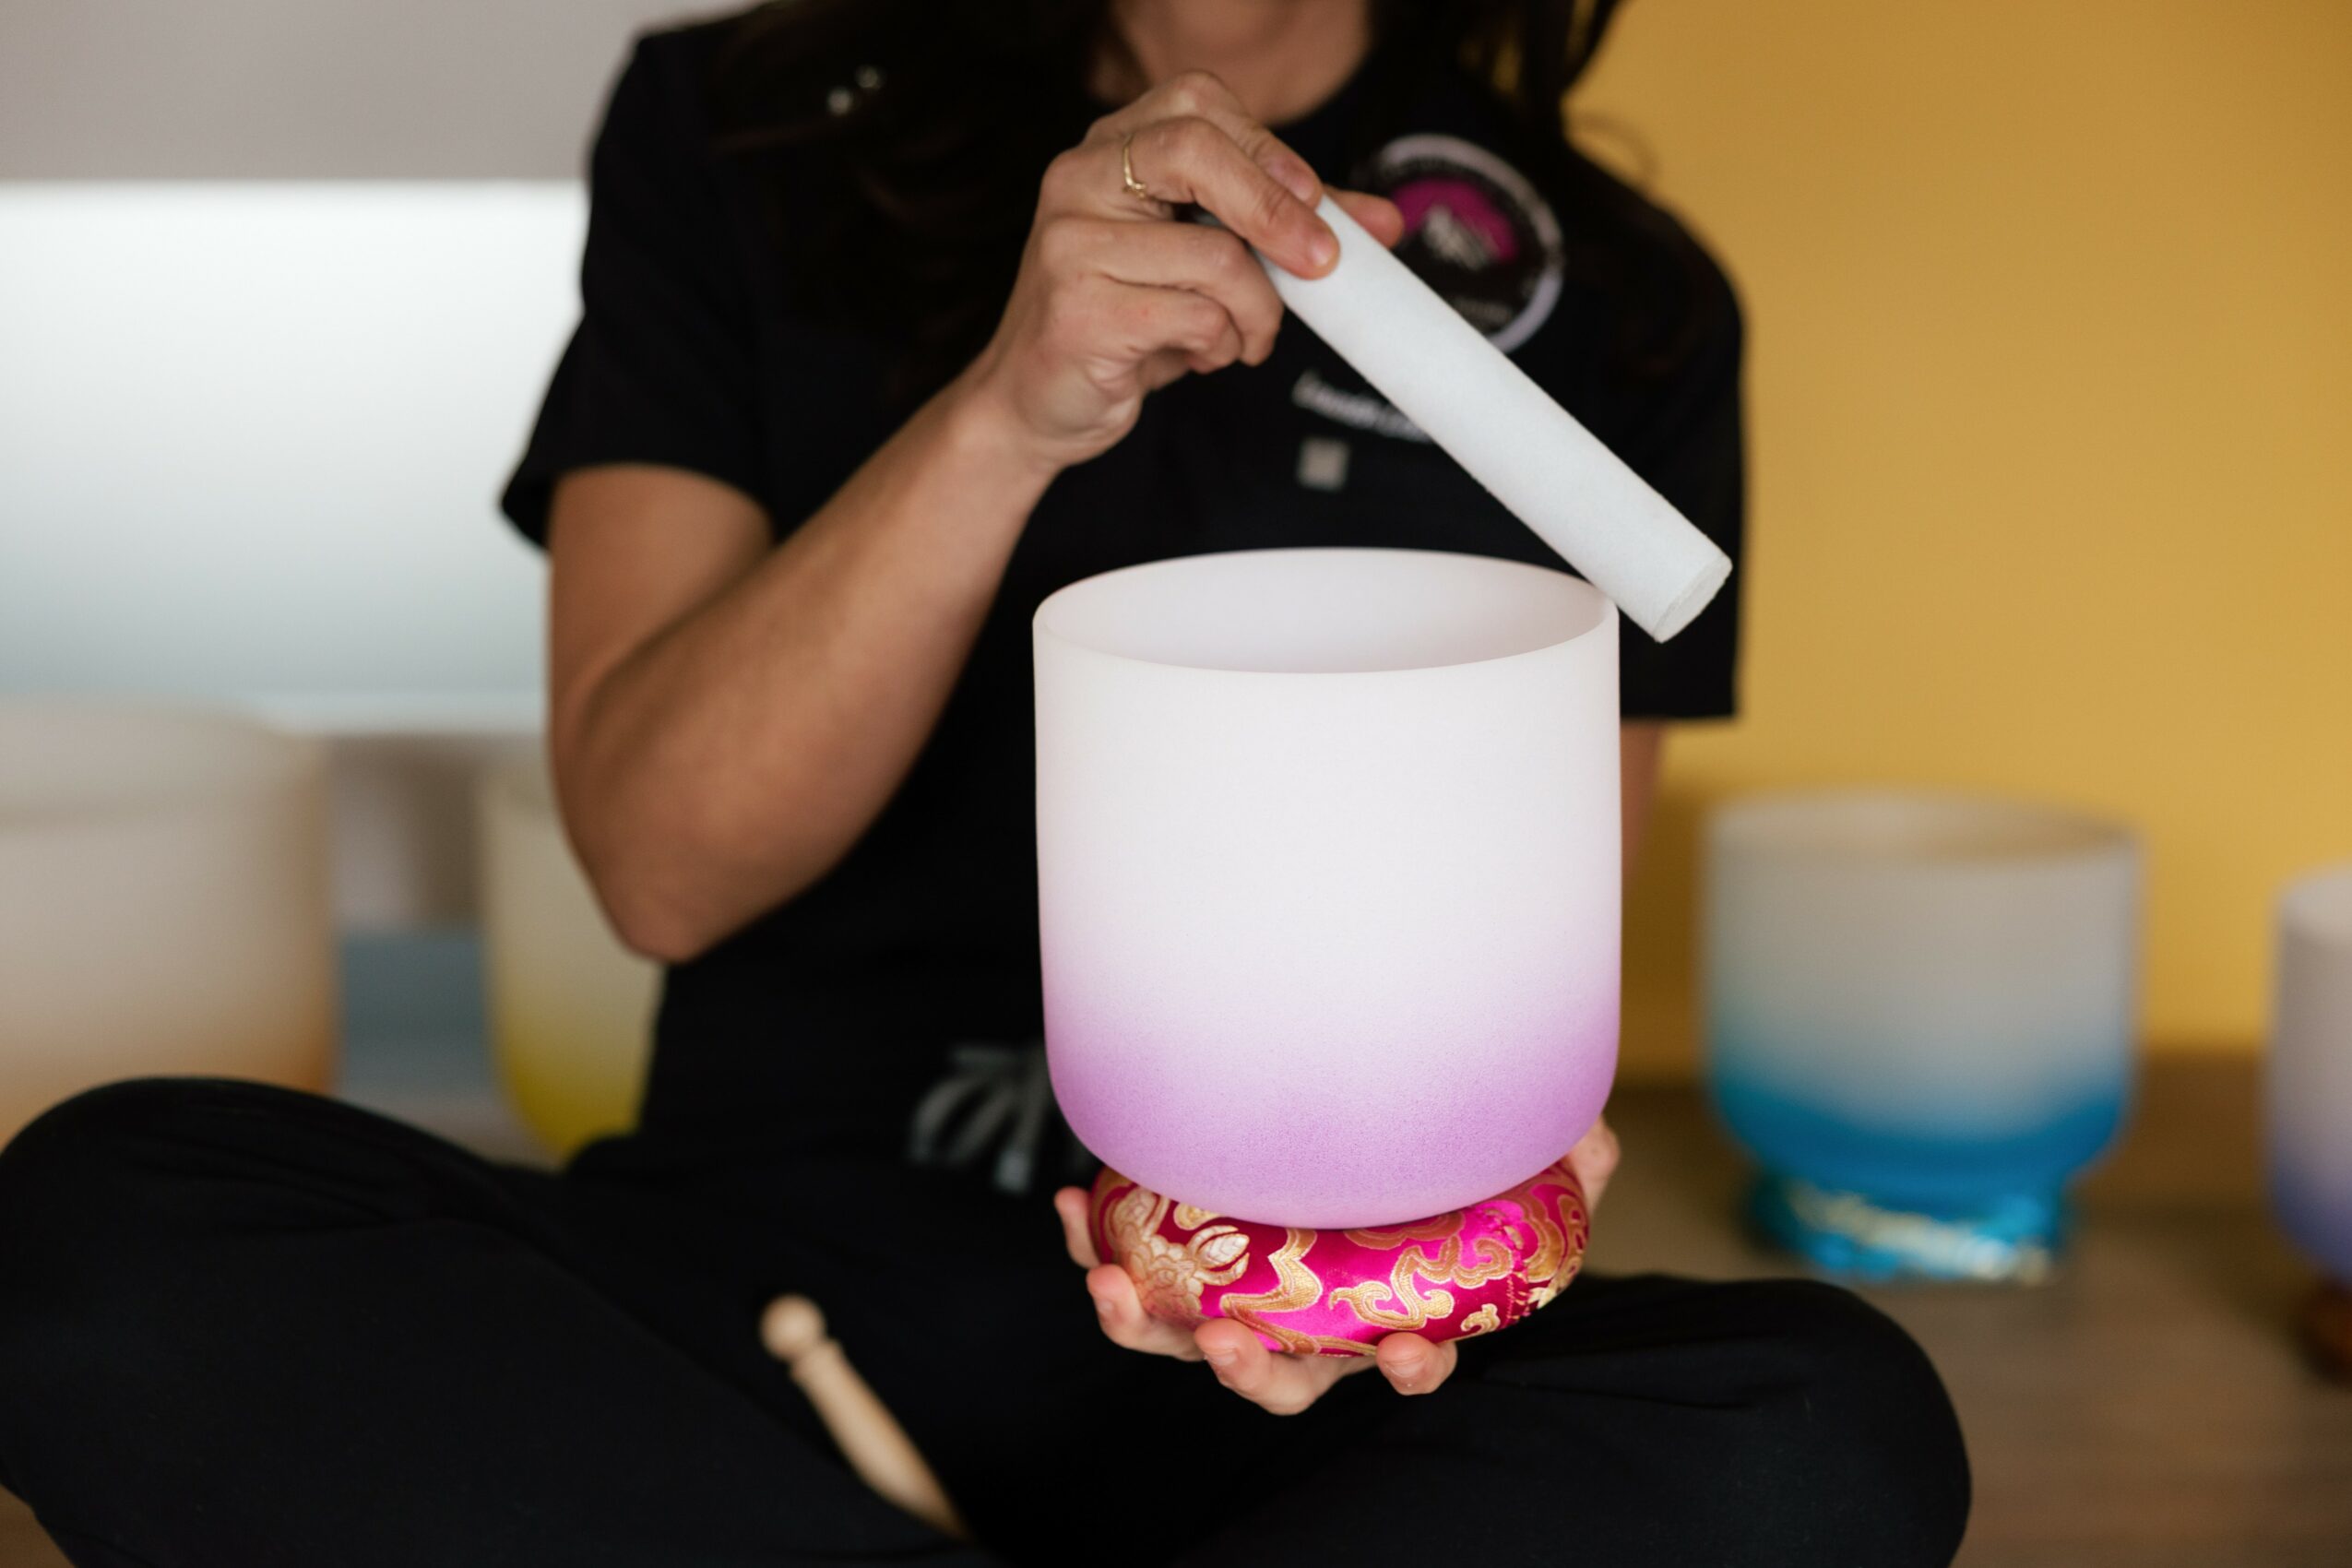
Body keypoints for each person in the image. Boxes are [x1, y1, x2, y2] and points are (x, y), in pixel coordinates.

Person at [0, 2, 1970, 1563]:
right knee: (96, 1235)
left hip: (1290, 1388)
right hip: (749, 1305)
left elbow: (1523, 994)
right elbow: (661, 865)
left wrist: (1428, 1248)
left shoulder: (1610, 299)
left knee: (1817, 1423)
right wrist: (1005, 415)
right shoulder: (744, 134)